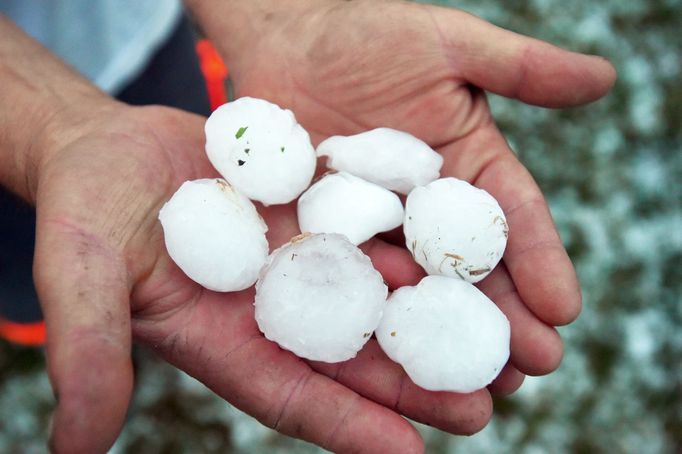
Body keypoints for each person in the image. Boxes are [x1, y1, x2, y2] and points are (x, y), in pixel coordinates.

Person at [0, 1, 616, 453]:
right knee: (45, 266)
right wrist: (47, 129)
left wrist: (274, 17)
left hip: (134, 29)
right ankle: (43, 317)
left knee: (118, 237)